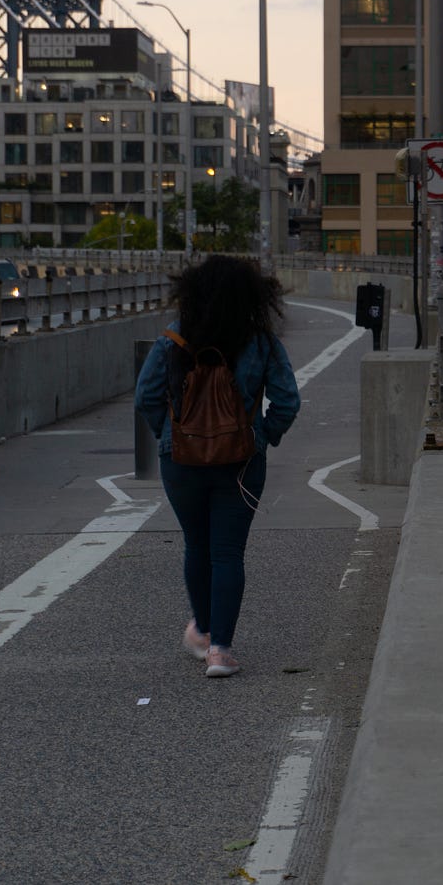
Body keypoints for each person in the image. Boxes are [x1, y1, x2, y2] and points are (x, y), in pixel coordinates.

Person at [135, 256, 301, 677]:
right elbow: (286, 401)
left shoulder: (173, 339)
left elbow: (146, 397)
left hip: (181, 461)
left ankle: (203, 630)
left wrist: (170, 437)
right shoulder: (260, 342)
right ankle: (220, 651)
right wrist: (261, 437)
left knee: (197, 544)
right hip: (241, 461)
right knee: (228, 552)